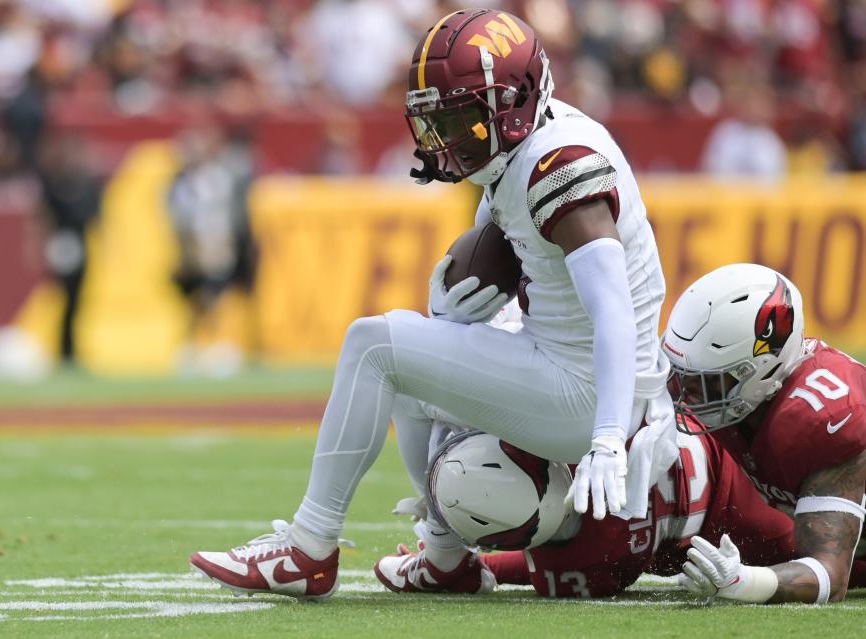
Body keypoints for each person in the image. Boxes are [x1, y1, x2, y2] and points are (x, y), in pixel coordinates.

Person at [189, 8, 673, 600]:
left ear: (514, 103)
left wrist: (604, 439)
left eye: (463, 117)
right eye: (437, 120)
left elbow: (614, 313)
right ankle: (445, 559)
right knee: (418, 362)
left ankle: (308, 549)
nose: (446, 138)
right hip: (578, 371)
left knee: (374, 344)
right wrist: (454, 311)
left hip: (592, 392)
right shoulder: (527, 148)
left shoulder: (558, 169)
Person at [378, 424, 796, 598]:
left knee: (840, 562)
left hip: (740, 528)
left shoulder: (574, 568)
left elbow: (535, 563)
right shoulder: (575, 429)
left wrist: (465, 564)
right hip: (733, 435)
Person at [662, 263, 866, 604]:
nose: (686, 396)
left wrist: (743, 581)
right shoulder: (760, 394)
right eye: (684, 378)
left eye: (708, 382)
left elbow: (829, 575)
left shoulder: (822, 418)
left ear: (761, 369)